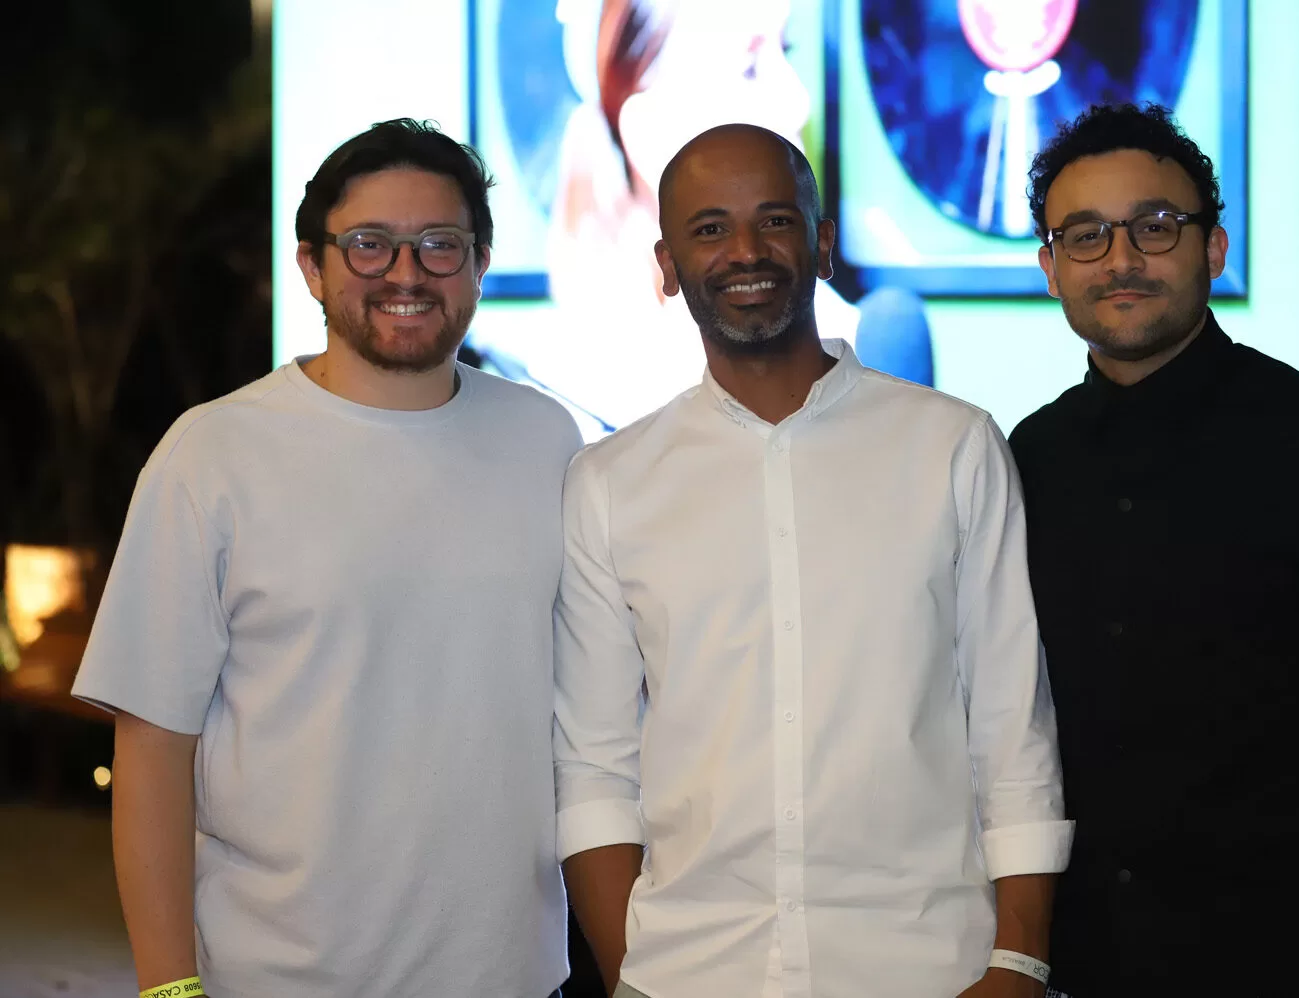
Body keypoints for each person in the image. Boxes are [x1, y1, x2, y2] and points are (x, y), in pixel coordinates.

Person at [553, 122, 1072, 998]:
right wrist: (630, 976)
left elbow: (1011, 728)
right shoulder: (609, 482)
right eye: (709, 229)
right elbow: (595, 768)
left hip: (927, 970)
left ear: (823, 243)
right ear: (667, 266)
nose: (745, 251)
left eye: (775, 220)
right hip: (691, 974)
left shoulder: (952, 446)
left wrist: (1017, 963)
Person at [72, 119, 582, 998]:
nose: (406, 274)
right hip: (278, 977)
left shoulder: (546, 439)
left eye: (440, 245)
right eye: (370, 245)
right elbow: (152, 749)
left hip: (511, 976)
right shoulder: (213, 454)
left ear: (480, 264)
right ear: (312, 266)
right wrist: (167, 988)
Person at [1009, 102, 1299, 997]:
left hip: (1294, 965)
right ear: (1051, 268)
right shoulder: (1027, 459)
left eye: (1155, 226)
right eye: (1086, 235)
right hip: (1083, 968)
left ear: (1214, 248)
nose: (1120, 259)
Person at [467, 0, 934, 441]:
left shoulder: (868, 358)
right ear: (648, 133)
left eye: (786, 51)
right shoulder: (555, 415)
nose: (798, 100)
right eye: (750, 67)